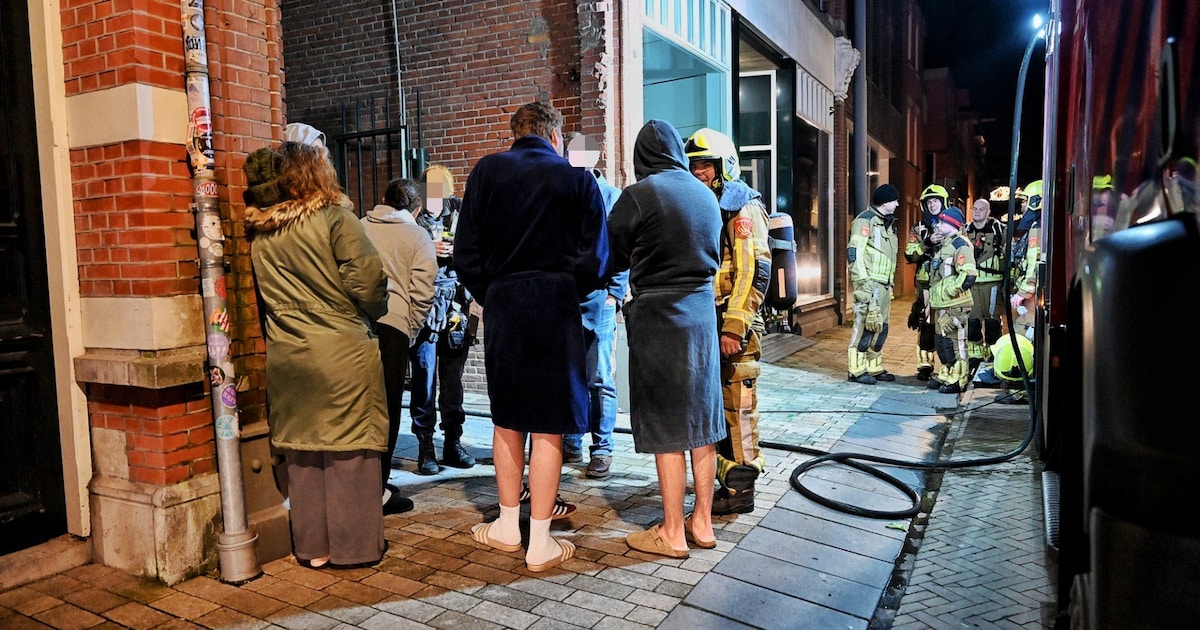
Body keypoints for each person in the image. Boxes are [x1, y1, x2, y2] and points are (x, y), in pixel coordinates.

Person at [454, 101, 609, 573]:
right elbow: (597, 259)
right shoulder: (577, 178)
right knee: (548, 424)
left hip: (504, 306)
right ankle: (539, 541)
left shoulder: (486, 172)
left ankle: (505, 525)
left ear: (515, 133)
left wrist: (495, 291)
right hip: (556, 307)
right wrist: (564, 287)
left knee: (507, 419)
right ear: (555, 135)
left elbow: (465, 253)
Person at [243, 140, 389, 569]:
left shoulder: (262, 233)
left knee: (303, 454)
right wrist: (371, 311)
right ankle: (354, 549)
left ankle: (312, 549)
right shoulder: (335, 218)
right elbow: (367, 282)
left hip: (288, 354)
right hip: (340, 351)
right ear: (315, 174)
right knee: (352, 452)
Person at [609, 119, 726, 557]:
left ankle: (672, 531)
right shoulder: (704, 194)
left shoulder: (640, 195)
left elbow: (610, 254)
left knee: (669, 425)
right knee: (703, 422)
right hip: (701, 314)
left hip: (660, 317)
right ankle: (704, 522)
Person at [684, 128, 771, 516]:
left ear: (724, 166)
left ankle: (741, 492)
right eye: (694, 164)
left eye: (705, 164)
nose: (698, 170)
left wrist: (734, 326)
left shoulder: (741, 206)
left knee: (738, 408)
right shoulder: (707, 203)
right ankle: (726, 483)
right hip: (709, 322)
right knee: (716, 406)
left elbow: (753, 271)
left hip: (731, 327)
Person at [360, 178, 438, 514]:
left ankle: (361, 480)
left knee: (361, 405)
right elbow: (424, 290)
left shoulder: (360, 226)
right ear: (417, 210)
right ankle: (377, 489)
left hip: (358, 325)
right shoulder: (418, 235)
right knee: (389, 409)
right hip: (393, 325)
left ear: (382, 198)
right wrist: (410, 326)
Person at [561, 132, 629, 479]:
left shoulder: (612, 198)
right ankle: (571, 441)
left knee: (600, 377)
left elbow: (622, 250)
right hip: (565, 300)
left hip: (599, 300)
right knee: (570, 374)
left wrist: (614, 293)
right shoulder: (562, 192)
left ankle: (601, 448)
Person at [408, 164, 477, 475]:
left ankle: (453, 442)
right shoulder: (412, 217)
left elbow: (477, 250)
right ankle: (425, 447)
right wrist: (428, 246)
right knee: (424, 380)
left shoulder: (461, 213)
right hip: (424, 307)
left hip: (455, 308)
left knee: (452, 382)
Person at [846, 183, 901, 385]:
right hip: (869, 284)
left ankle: (874, 366)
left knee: (881, 328)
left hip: (884, 286)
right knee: (864, 328)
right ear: (885, 201)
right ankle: (856, 369)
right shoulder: (865, 221)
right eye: (894, 200)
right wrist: (863, 285)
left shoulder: (887, 224)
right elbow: (854, 253)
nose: (897, 204)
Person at [927, 206, 977, 394]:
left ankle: (959, 379)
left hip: (955, 304)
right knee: (943, 341)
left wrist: (950, 291)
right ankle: (947, 373)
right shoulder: (944, 245)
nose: (938, 225)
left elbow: (969, 275)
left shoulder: (960, 245)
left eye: (941, 222)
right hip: (942, 305)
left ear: (952, 224)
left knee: (956, 342)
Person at [905, 184, 951, 381]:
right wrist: (927, 242)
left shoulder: (953, 226)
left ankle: (949, 364)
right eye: (929, 202)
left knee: (948, 323)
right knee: (926, 323)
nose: (932, 205)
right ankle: (925, 364)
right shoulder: (918, 228)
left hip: (948, 283)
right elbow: (910, 255)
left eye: (936, 201)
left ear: (944, 203)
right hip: (925, 283)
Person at [964, 197, 1007, 377]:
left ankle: (992, 358)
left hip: (993, 284)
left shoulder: (999, 230)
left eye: (981, 209)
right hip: (971, 284)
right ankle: (974, 360)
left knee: (992, 324)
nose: (977, 212)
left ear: (988, 212)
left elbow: (1009, 255)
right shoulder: (965, 231)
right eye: (975, 209)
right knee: (972, 323)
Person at [1009, 180, 1043, 342]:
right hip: (1032, 295)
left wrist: (1022, 293)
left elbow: (1034, 263)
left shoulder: (1037, 228)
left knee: (1022, 333)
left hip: (1031, 298)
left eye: (1024, 201)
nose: (1022, 206)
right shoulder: (1039, 225)